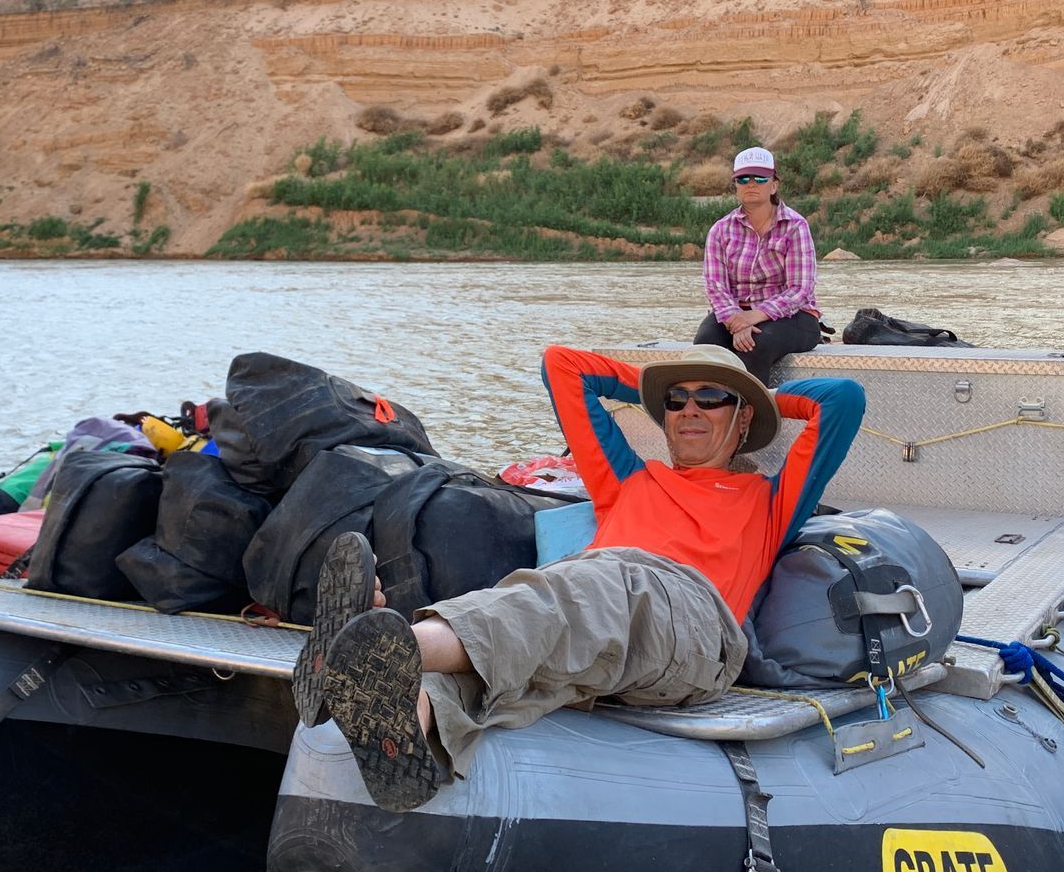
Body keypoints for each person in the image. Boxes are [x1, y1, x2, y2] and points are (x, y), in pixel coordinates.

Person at [292, 343, 866, 811]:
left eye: (710, 398)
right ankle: (402, 731)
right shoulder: (629, 479)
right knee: (518, 631)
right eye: (676, 399)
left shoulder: (769, 500)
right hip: (596, 613)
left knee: (590, 586)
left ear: (742, 419)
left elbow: (840, 400)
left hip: (691, 623)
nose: (690, 410)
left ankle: (384, 647)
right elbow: (564, 366)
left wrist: (756, 397)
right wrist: (652, 387)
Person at [695, 144, 823, 387]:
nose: (750, 183)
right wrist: (736, 320)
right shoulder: (720, 230)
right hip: (736, 312)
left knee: (754, 347)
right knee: (705, 345)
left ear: (774, 185)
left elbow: (800, 289)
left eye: (760, 178)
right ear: (736, 186)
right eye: (742, 178)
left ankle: (752, 420)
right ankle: (711, 414)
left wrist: (754, 317)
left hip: (794, 316)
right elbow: (715, 287)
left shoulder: (796, 226)